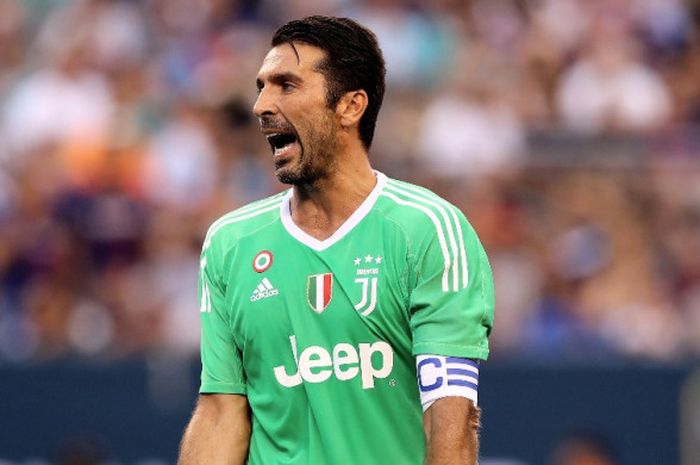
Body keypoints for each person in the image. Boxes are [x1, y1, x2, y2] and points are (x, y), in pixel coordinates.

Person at [177, 15, 494, 465]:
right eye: (261, 87)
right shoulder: (230, 243)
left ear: (350, 106)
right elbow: (222, 411)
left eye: (286, 85)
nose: (261, 106)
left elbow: (450, 419)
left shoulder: (427, 230)